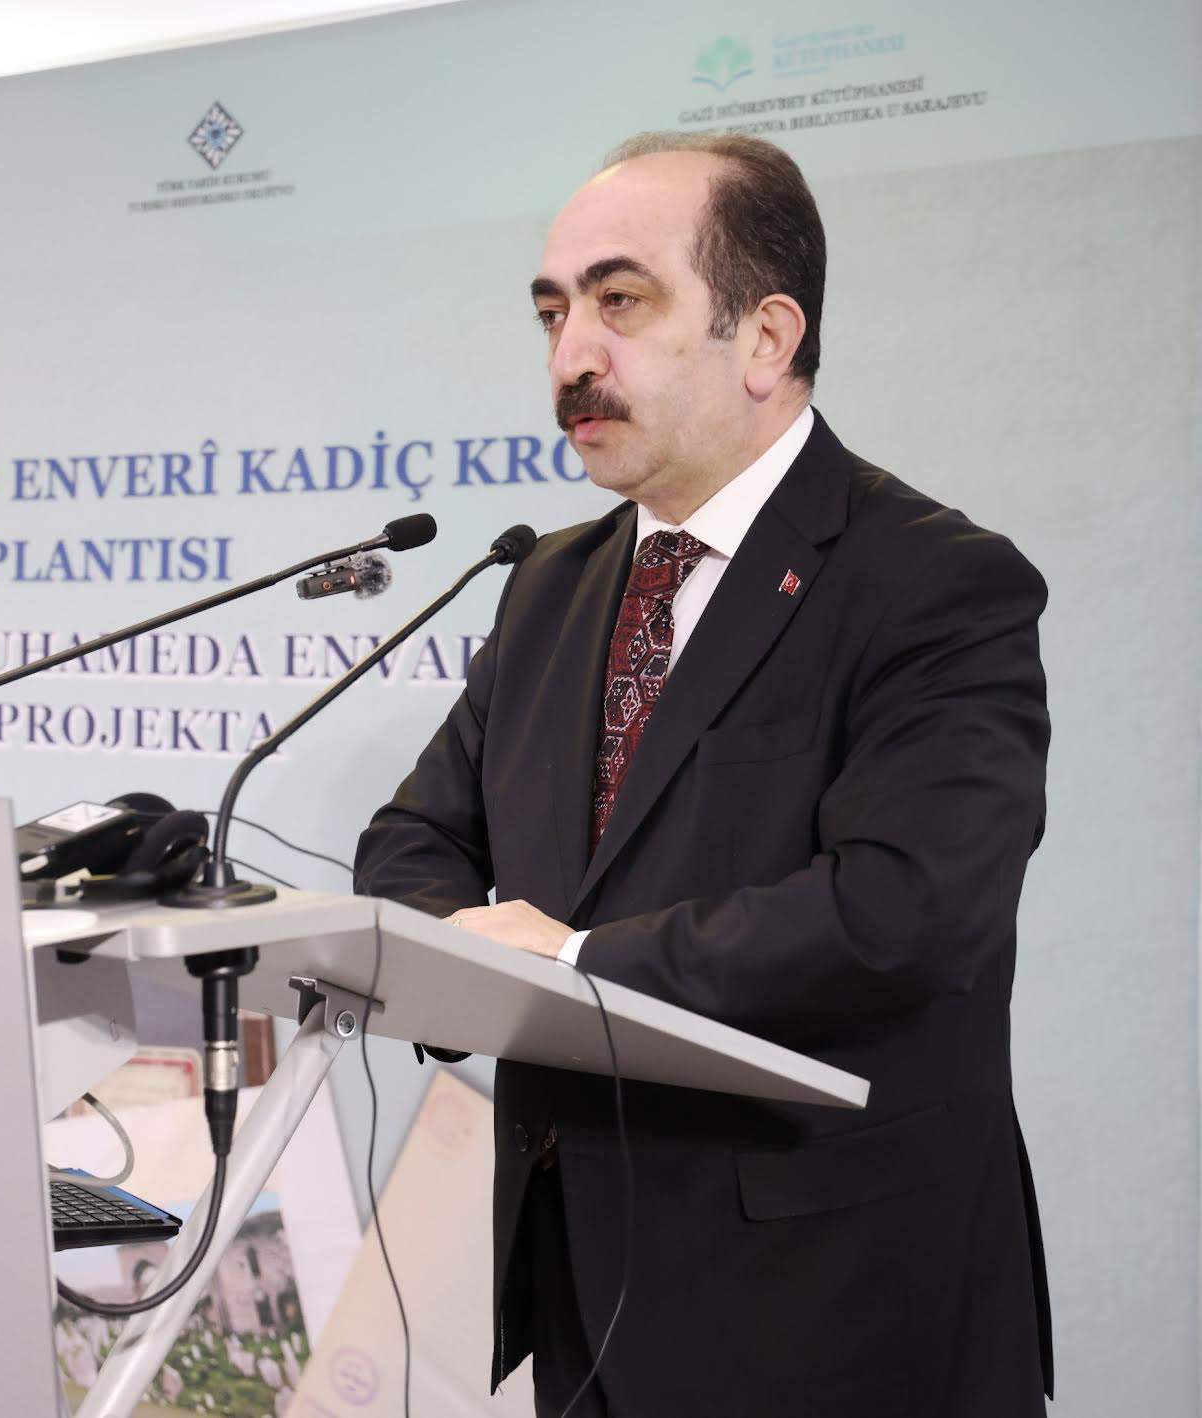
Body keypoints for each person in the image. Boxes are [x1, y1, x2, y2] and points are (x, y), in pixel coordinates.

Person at [353, 132, 1053, 1418]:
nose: (571, 355)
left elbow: (905, 908)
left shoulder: (931, 582)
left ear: (764, 337)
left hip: (834, 1303)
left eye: (619, 302)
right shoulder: (548, 583)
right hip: (581, 1283)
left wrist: (571, 966)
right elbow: (414, 836)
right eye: (552, 312)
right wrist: (457, 963)